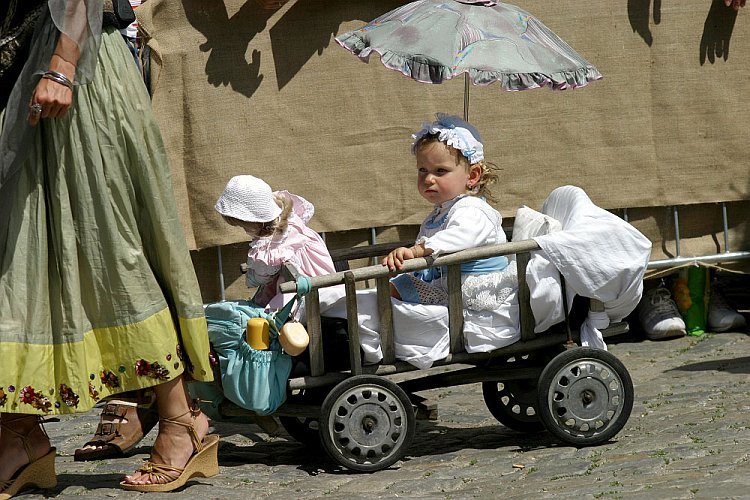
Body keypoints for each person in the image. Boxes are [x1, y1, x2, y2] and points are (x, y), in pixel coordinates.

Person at [0, 0, 217, 495]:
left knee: (111, 251)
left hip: (74, 71)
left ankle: (182, 420)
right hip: (18, 76)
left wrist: (64, 64)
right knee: (16, 260)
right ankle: (18, 434)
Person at [382, 113, 517, 313]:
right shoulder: (439, 212)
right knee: (393, 286)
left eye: (440, 171)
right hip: (448, 283)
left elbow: (459, 236)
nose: (428, 179)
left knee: (396, 288)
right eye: (422, 170)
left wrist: (416, 251)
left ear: (472, 176)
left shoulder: (472, 209)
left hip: (474, 288)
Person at [214, 174, 337, 313]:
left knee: (272, 313)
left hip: (306, 291)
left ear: (256, 222)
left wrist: (251, 274)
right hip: (326, 280)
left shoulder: (271, 246)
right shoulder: (289, 219)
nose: (245, 231)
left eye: (244, 226)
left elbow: (261, 276)